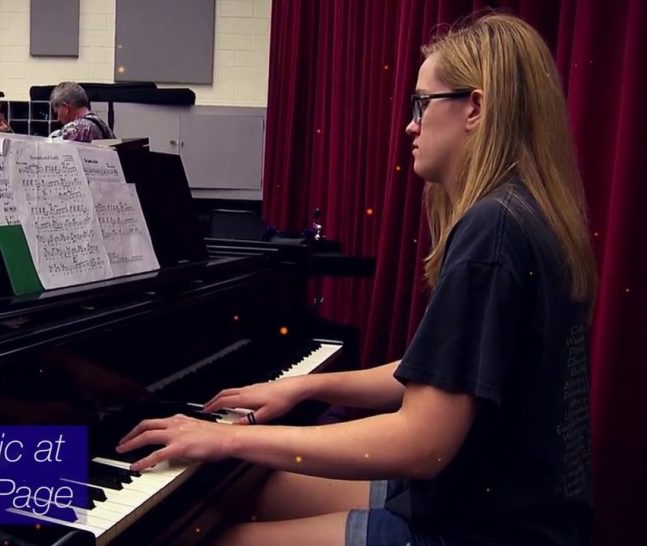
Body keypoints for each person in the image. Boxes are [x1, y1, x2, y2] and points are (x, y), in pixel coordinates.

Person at [115, 13, 597, 546]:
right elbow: (437, 378)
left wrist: (226, 440)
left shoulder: (493, 230)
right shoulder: (526, 213)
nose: (411, 125)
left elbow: (421, 443)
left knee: (212, 536)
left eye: (422, 103)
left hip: (478, 529)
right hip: (490, 502)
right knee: (244, 492)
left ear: (475, 108)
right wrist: (304, 386)